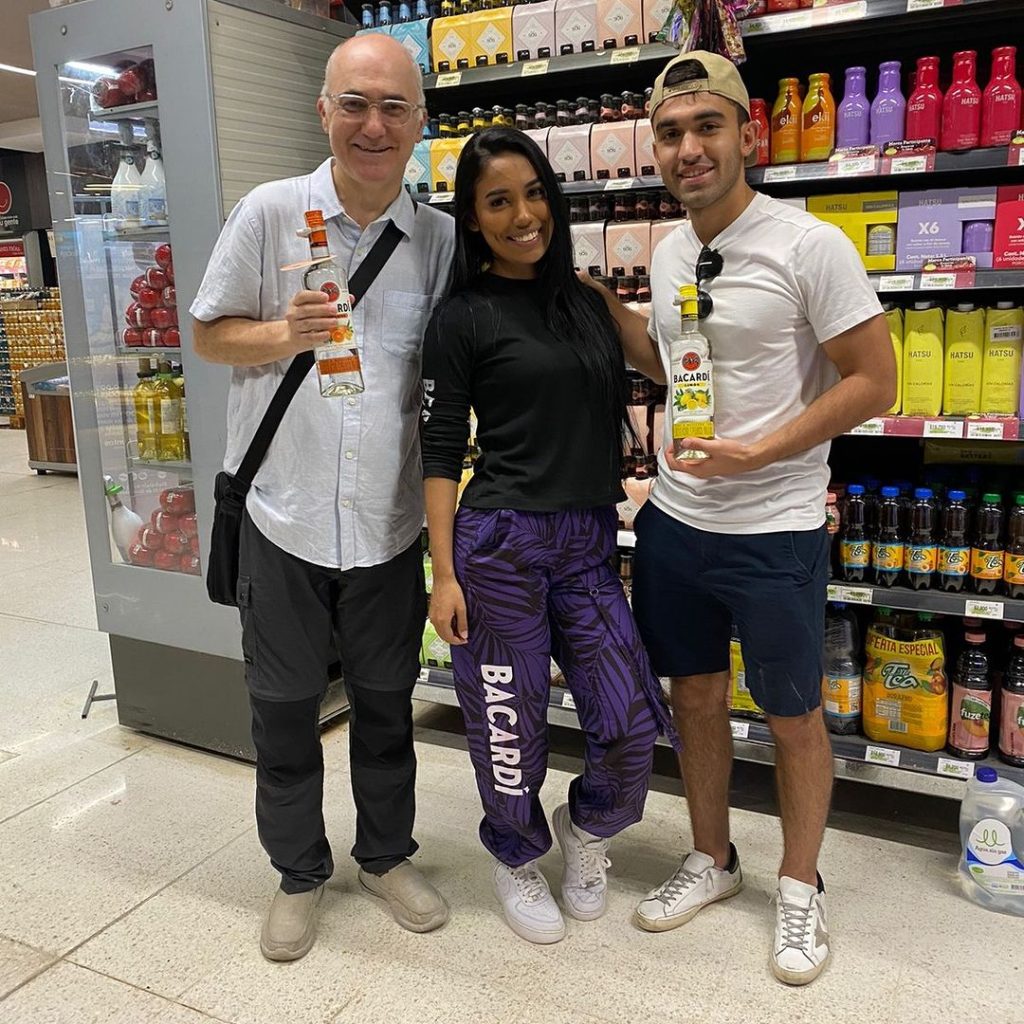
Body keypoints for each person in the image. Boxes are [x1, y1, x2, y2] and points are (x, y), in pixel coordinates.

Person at [589, 52, 896, 985]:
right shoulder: (670, 250)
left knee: (794, 715)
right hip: (677, 522)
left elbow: (876, 382)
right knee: (693, 698)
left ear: (747, 136)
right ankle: (712, 857)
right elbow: (669, 361)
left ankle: (799, 885)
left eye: (706, 127)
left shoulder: (810, 246)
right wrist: (598, 305)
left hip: (775, 528)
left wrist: (764, 451)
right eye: (671, 133)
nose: (689, 148)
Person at [190, 34, 454, 962]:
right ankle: (299, 873)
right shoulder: (270, 213)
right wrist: (281, 333)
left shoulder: (438, 238)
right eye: (355, 104)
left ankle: (384, 857)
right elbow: (208, 335)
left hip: (388, 523)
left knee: (386, 708)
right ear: (324, 111)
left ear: (420, 122)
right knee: (283, 711)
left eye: (393, 108)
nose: (373, 126)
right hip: (284, 516)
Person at [420, 127, 677, 946]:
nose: (524, 215)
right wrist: (444, 574)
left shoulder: (587, 300)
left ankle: (587, 829)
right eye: (498, 201)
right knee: (510, 726)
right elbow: (438, 449)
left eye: (534, 193)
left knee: (629, 721)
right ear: (472, 218)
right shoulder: (462, 316)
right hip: (498, 545)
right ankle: (516, 855)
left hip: (587, 543)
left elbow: (669, 367)